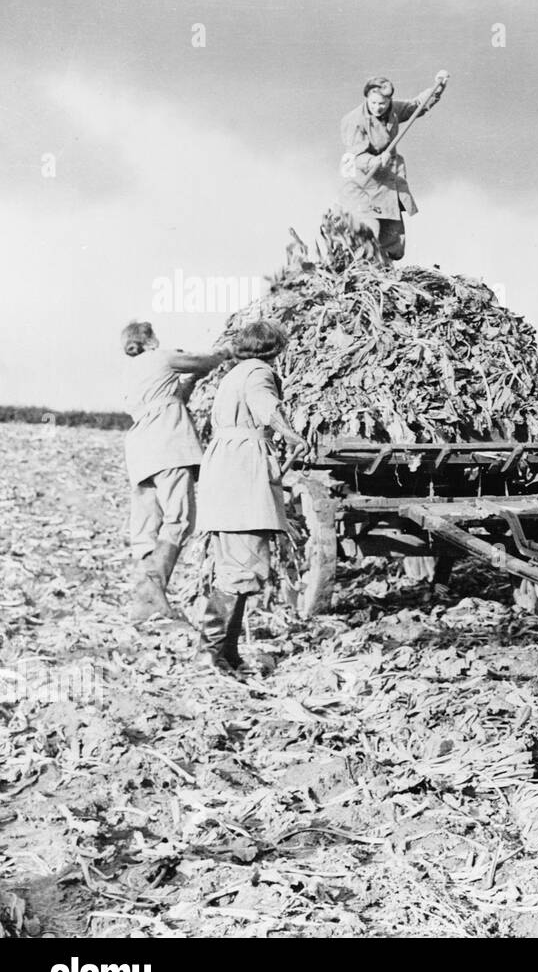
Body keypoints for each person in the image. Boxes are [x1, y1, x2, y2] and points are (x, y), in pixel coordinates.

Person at [194, 319, 310, 674]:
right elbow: (266, 408)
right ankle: (210, 653)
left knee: (237, 565)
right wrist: (292, 435)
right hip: (242, 468)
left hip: (225, 465)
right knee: (241, 568)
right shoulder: (259, 372)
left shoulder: (233, 373)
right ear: (273, 348)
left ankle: (226, 653)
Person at [120, 321, 229, 623]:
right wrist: (226, 352)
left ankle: (144, 602)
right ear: (150, 339)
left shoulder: (130, 372)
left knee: (145, 527)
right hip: (168, 444)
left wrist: (191, 381)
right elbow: (204, 361)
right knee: (179, 519)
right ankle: (153, 594)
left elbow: (173, 396)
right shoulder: (162, 357)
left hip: (140, 451)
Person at [337, 74, 445, 262]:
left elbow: (417, 106)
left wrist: (438, 87)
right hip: (363, 181)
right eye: (373, 103)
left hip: (387, 181)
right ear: (367, 98)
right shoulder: (354, 121)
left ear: (389, 101)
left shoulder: (394, 110)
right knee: (366, 229)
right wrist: (375, 160)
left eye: (382, 104)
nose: (378, 108)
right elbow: (355, 156)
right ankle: (360, 266)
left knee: (392, 238)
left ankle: (385, 269)